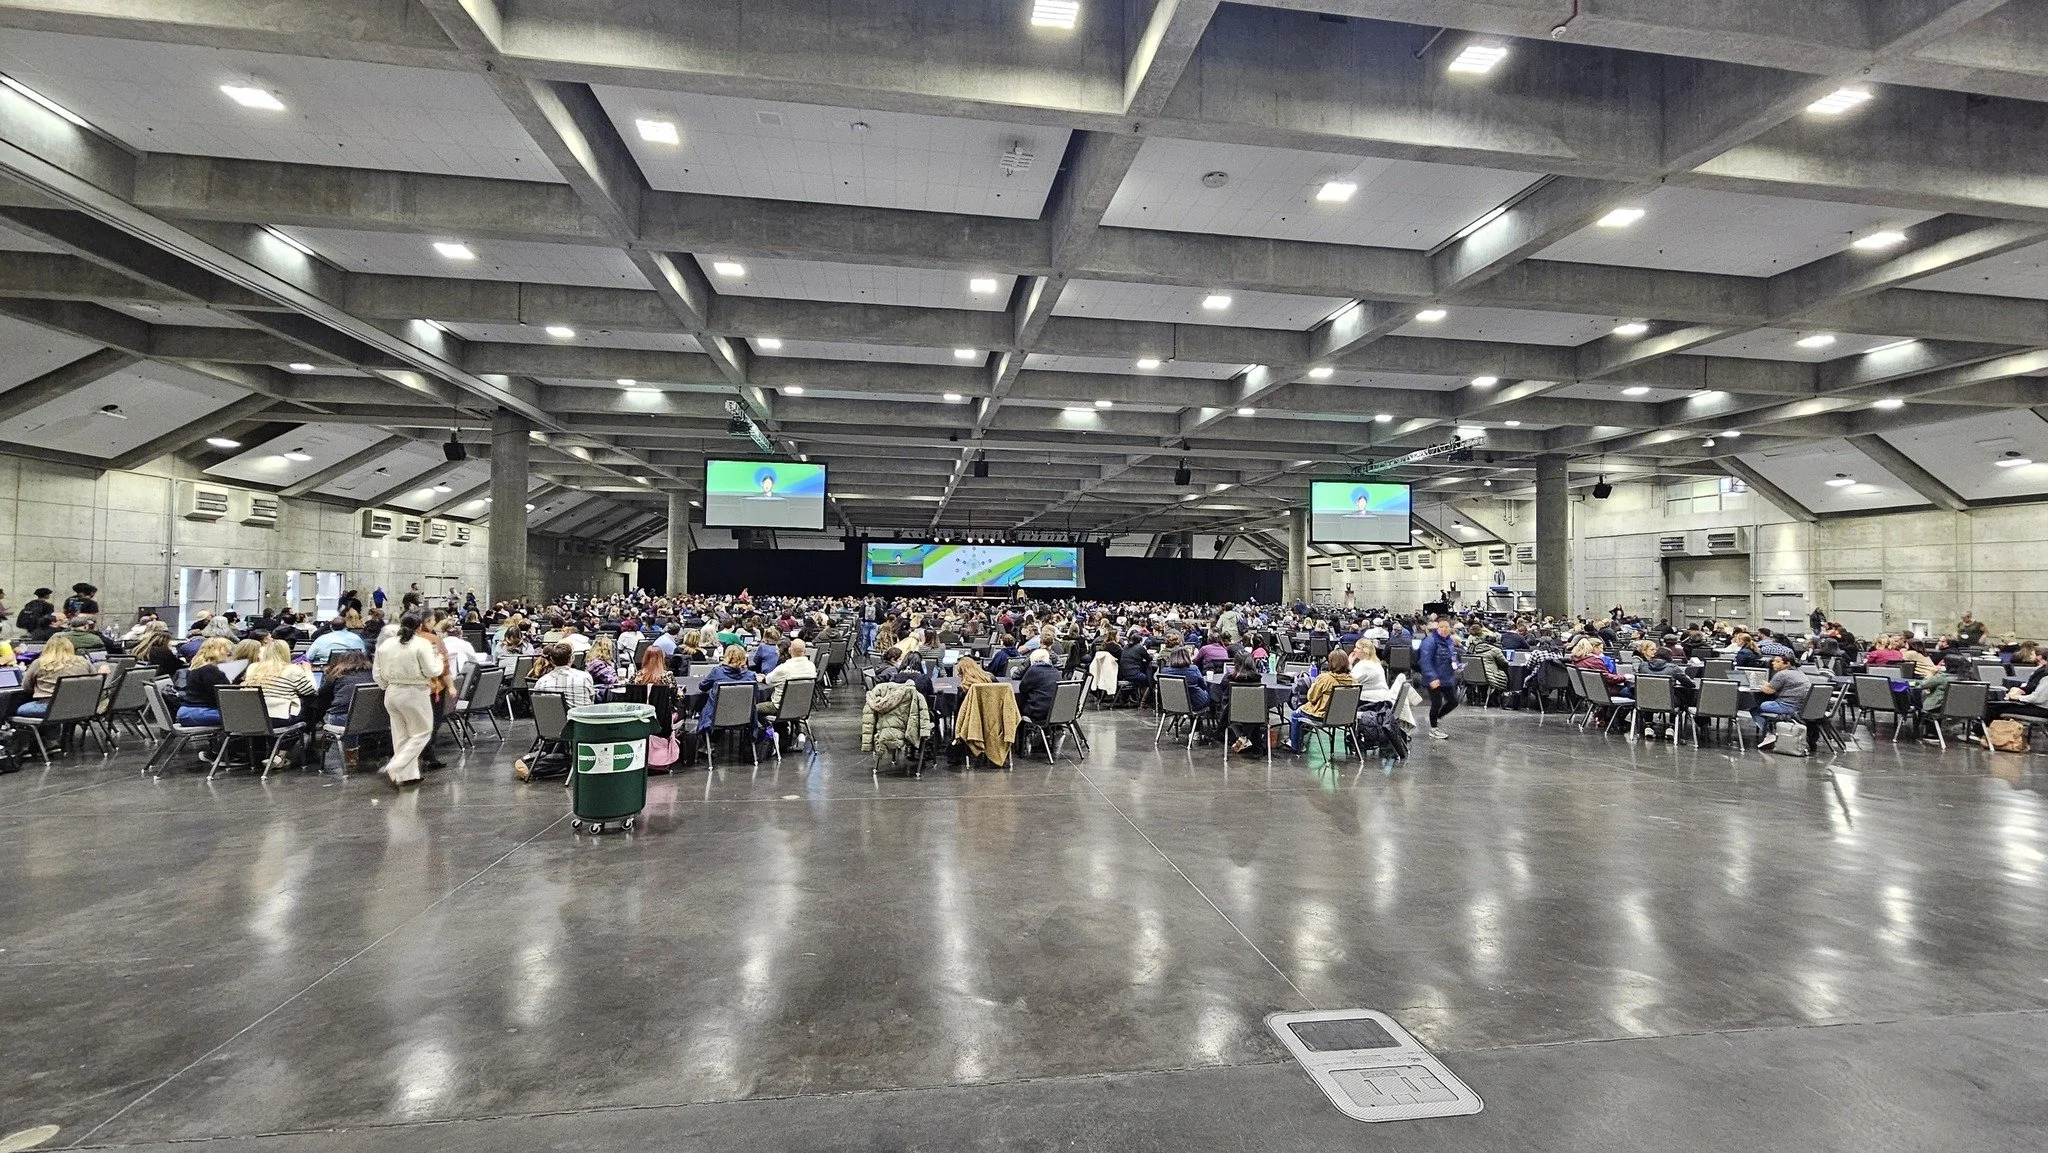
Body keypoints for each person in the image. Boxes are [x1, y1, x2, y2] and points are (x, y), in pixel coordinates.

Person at [373, 612, 444, 788]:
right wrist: (440, 660)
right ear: (419, 627)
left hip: (392, 692)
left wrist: (386, 685)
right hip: (415, 692)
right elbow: (431, 671)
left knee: (401, 735)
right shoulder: (422, 644)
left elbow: (377, 672)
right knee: (423, 732)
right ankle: (396, 764)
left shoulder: (386, 644)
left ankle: (407, 776)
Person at [13, 635, 105, 718]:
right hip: (79, 707)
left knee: (16, 709)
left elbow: (26, 686)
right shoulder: (83, 662)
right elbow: (95, 683)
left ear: (47, 648)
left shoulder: (39, 663)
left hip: (49, 707)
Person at [314, 651, 377, 769]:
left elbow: (322, 694)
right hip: (371, 719)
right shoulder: (373, 675)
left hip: (344, 720)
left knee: (338, 713)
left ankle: (330, 744)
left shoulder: (337, 675)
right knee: (354, 715)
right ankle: (352, 753)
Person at [1285, 649, 1355, 753]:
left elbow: (1311, 698)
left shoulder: (1325, 678)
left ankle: (1296, 746)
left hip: (1322, 716)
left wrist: (1314, 685)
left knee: (1296, 714)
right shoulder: (1352, 680)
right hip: (1344, 717)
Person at [242, 639, 315, 722]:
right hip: (280, 718)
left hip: (254, 716)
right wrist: (308, 670)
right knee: (309, 701)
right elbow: (311, 690)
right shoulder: (293, 669)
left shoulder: (252, 667)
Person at [1751, 654, 1811, 751]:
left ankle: (1769, 734)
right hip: (1802, 706)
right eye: (1774, 661)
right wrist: (1769, 686)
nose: (1773, 663)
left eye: (1777, 661)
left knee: (1755, 707)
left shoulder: (1782, 674)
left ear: (1787, 664)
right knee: (1766, 704)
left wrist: (1758, 685)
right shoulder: (1800, 673)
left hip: (1788, 706)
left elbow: (1768, 691)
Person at [697, 644, 758, 734]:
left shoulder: (717, 672)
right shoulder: (751, 676)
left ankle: (710, 739)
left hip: (717, 717)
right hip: (743, 717)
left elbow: (702, 687)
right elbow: (756, 697)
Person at [177, 637, 235, 726]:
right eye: (229, 653)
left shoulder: (198, 667)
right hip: (198, 712)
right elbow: (223, 697)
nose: (231, 655)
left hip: (188, 711)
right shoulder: (210, 670)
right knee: (243, 716)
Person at [1417, 617, 1459, 739]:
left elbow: (1452, 656)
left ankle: (1437, 718)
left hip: (1447, 677)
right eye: (1441, 627)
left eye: (1446, 627)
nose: (1444, 629)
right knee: (1437, 703)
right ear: (1437, 628)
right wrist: (1432, 677)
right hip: (1434, 678)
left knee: (1453, 701)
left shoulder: (1449, 641)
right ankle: (1433, 728)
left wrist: (1457, 665)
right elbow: (1425, 661)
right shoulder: (1429, 642)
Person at [1222, 654, 1268, 753]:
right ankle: (1245, 737)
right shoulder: (1257, 678)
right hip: (1255, 715)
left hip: (1233, 714)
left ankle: (1241, 736)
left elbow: (1222, 690)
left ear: (1235, 663)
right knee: (1253, 708)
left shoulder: (1229, 677)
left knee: (1228, 709)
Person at [531, 643, 597, 710]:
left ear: (552, 660)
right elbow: (591, 699)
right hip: (580, 716)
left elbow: (537, 705)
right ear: (572, 658)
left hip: (552, 716)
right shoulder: (585, 677)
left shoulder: (542, 681)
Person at [1017, 647, 1062, 725]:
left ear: (1032, 660)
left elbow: (1022, 689)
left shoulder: (1033, 671)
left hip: (1037, 712)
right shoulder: (1055, 671)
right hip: (1055, 711)